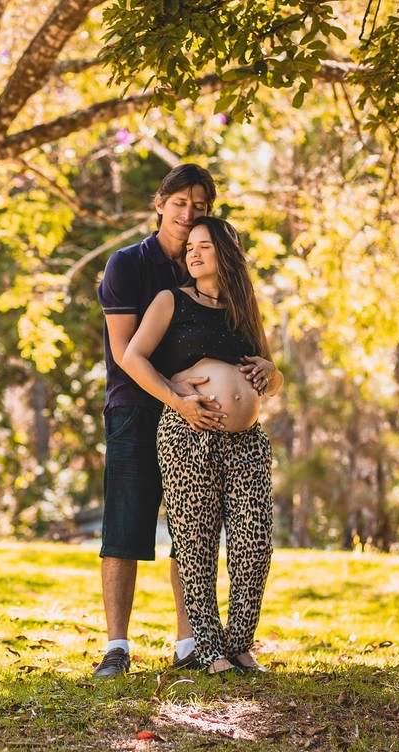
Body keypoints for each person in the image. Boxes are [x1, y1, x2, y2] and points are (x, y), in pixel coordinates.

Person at [120, 215, 283, 674]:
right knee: (196, 544)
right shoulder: (170, 301)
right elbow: (133, 357)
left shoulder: (244, 307)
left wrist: (272, 374)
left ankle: (239, 644)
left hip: (247, 441)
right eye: (190, 246)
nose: (192, 253)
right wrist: (178, 398)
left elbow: (273, 375)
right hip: (188, 434)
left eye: (204, 246)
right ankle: (209, 652)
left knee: (254, 543)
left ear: (225, 254)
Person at [92, 163, 224, 678]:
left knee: (190, 529)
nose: (188, 215)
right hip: (136, 409)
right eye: (180, 203)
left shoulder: (205, 264)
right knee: (124, 529)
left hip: (195, 417)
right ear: (160, 203)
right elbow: (126, 353)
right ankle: (117, 647)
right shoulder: (126, 265)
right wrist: (175, 398)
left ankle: (188, 644)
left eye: (199, 206)